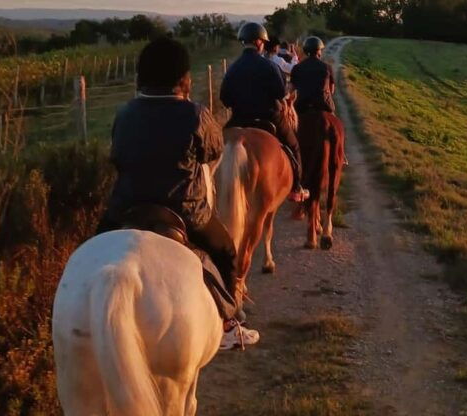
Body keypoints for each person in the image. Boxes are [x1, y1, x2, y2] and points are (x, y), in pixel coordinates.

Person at [97, 37, 259, 350]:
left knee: (89, 251)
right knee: (226, 252)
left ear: (141, 77)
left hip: (125, 208)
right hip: (184, 211)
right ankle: (229, 322)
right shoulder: (196, 114)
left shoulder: (125, 113)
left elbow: (116, 156)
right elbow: (212, 152)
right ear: (183, 79)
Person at [220, 22, 309, 202]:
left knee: (217, 148)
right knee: (294, 146)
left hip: (239, 119)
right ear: (260, 42)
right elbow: (279, 93)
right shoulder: (269, 66)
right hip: (268, 118)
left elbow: (225, 98)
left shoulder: (232, 68)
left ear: (244, 42)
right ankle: (297, 188)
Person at [291, 36, 335, 115]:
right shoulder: (327, 67)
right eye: (321, 50)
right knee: (337, 124)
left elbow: (292, 89)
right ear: (318, 51)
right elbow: (331, 90)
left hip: (301, 106)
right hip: (323, 105)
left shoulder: (297, 67)